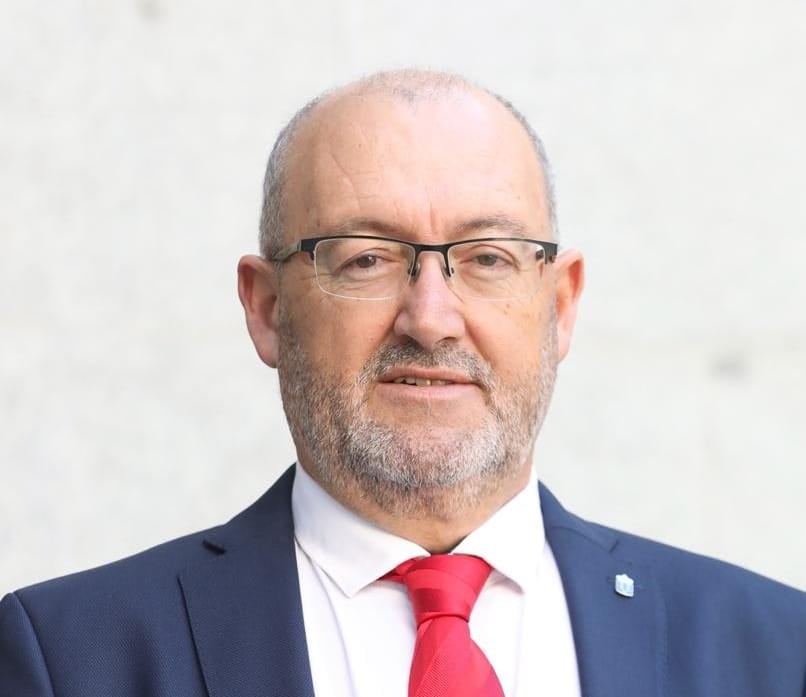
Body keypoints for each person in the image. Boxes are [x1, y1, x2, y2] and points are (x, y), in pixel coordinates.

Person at [1, 69, 804, 697]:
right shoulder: (70, 658)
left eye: (486, 257)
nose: (430, 317)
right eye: (366, 258)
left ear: (560, 306)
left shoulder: (774, 651)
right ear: (268, 308)